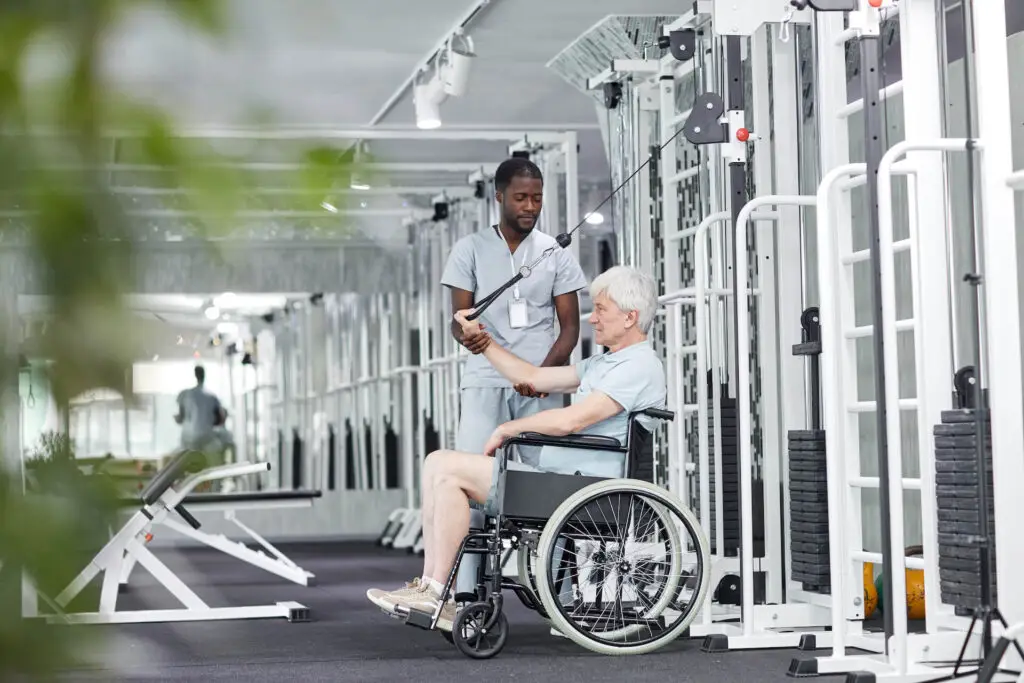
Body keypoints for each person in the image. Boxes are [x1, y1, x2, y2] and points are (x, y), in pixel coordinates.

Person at [366, 266, 667, 631]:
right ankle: (432, 590)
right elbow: (534, 378)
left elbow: (573, 421)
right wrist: (483, 340)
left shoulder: (639, 367)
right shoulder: (605, 362)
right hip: (561, 479)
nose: (593, 318)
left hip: (583, 489)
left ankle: (434, 591)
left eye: (602, 309)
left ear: (630, 316)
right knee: (440, 470)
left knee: (444, 466)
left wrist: (510, 427)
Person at [441, 156, 588, 467]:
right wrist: (467, 336)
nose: (531, 207)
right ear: (500, 197)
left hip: (542, 383)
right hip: (485, 379)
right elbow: (459, 321)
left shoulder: (556, 253)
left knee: (545, 472)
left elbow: (571, 329)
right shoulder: (469, 249)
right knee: (475, 468)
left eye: (537, 198)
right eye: (521, 198)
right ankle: (477, 520)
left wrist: (541, 378)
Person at [174, 365, 226, 454]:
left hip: (189, 438)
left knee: (189, 462)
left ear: (195, 375)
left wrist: (177, 418)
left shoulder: (185, 395)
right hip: (207, 437)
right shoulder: (212, 397)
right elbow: (219, 420)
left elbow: (180, 417)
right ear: (204, 376)